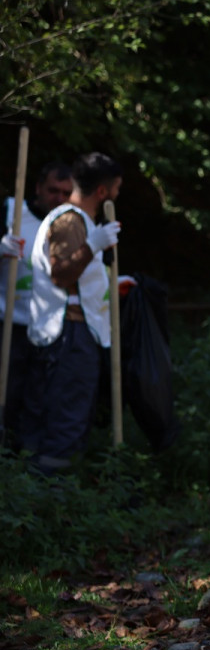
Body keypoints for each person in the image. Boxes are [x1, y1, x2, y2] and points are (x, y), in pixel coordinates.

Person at [21, 153, 123, 473]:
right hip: (68, 334)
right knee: (65, 417)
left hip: (76, 331)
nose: (119, 194)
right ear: (103, 192)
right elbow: (62, 275)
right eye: (117, 188)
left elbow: (82, 279)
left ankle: (45, 492)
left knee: (63, 415)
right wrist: (92, 246)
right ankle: (50, 496)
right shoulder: (69, 221)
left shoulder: (81, 223)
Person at [1, 161, 73, 441]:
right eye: (53, 190)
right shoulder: (11, 212)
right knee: (7, 392)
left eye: (66, 193)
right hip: (9, 323)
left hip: (50, 329)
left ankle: (30, 462)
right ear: (38, 189)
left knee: (39, 399)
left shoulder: (71, 222)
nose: (59, 199)